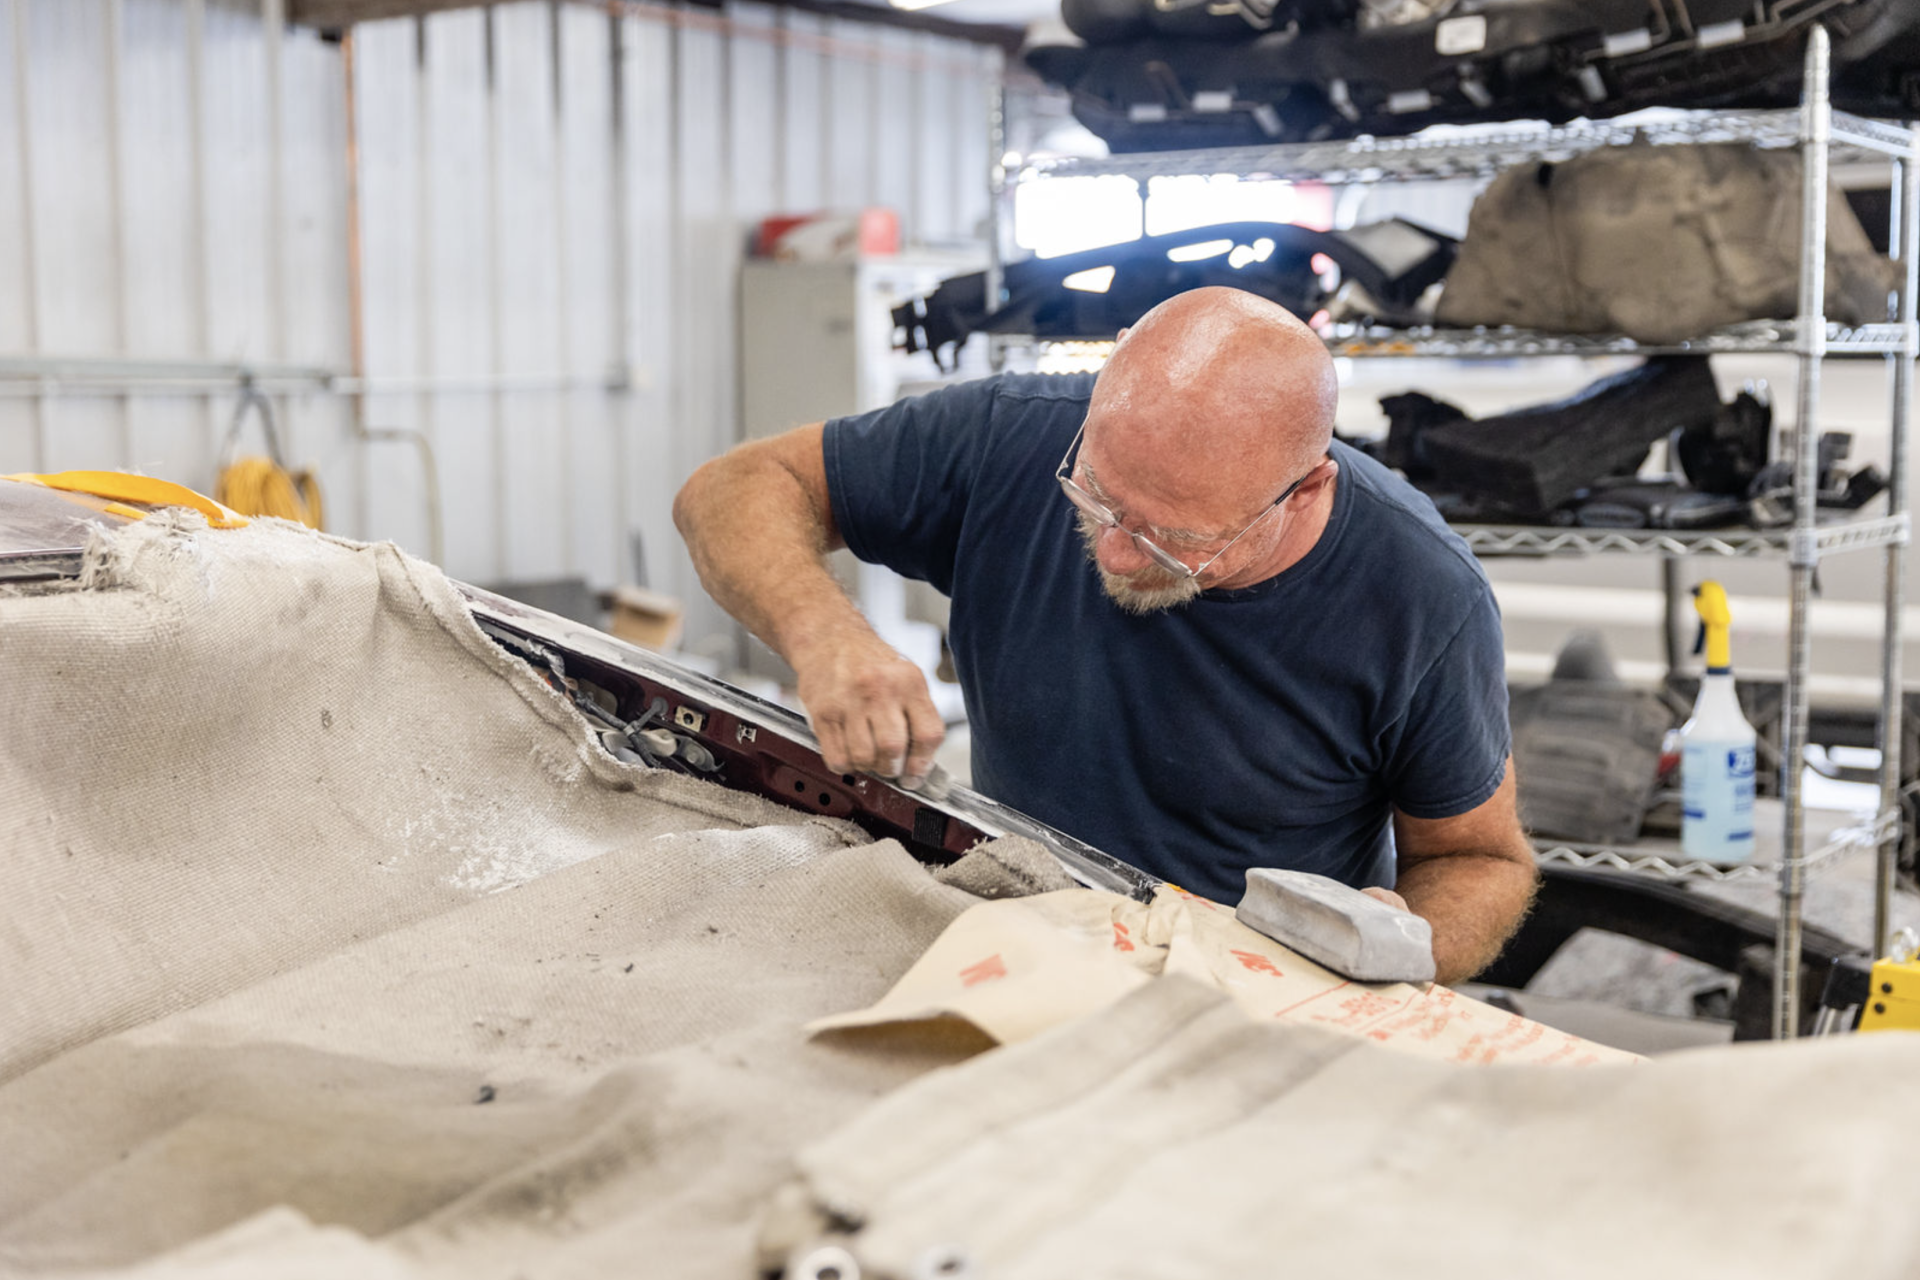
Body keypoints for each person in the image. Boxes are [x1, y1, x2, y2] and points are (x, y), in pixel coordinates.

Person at [674, 286, 1535, 984]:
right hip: (1015, 943)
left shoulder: (1423, 597)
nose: (1117, 554)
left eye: (1173, 540)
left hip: (1247, 999)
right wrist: (828, 636)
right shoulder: (1009, 436)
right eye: (1097, 495)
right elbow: (732, 490)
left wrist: (1401, 939)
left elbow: (1479, 861)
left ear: (1304, 492)